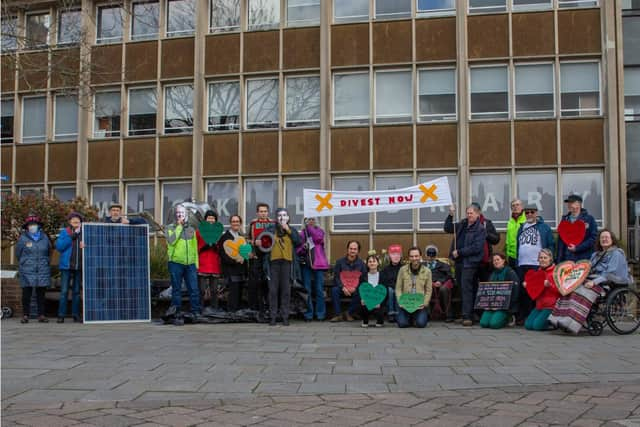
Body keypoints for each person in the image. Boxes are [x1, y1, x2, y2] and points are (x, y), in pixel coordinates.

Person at [549, 229, 632, 334]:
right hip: (592, 279)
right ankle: (560, 318)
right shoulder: (596, 255)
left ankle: (573, 322)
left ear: (612, 240)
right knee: (570, 288)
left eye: (607, 237)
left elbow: (610, 274)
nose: (604, 239)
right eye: (602, 237)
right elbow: (588, 268)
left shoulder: (617, 253)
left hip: (607, 283)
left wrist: (594, 282)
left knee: (581, 291)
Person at [444, 204, 487, 326]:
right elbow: (447, 228)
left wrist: (460, 252)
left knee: (467, 289)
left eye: (471, 213)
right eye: (467, 213)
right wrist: (451, 215)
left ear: (478, 214)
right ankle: (465, 313)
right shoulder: (463, 224)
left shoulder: (480, 229)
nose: (469, 215)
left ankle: (467, 316)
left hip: (470, 263)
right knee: (462, 288)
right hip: (459, 262)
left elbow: (477, 248)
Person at [515, 204, 555, 325]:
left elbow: (551, 244)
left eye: (532, 212)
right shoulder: (521, 227)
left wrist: (549, 261)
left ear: (536, 213)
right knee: (524, 290)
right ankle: (525, 316)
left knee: (537, 290)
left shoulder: (544, 227)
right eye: (527, 212)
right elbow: (518, 245)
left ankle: (536, 315)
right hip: (522, 263)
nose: (529, 214)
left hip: (536, 264)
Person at [166, 204, 201, 325]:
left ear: (186, 214)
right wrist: (179, 227)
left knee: (194, 289)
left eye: (182, 212)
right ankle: (176, 312)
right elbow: (171, 241)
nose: (180, 215)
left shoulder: (191, 229)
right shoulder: (170, 227)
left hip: (190, 264)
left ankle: (195, 312)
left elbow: (194, 247)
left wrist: (196, 263)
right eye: (178, 213)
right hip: (175, 263)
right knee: (176, 289)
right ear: (175, 215)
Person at [267, 208, 301, 326]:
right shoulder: (270, 229)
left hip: (287, 263)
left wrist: (288, 230)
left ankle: (285, 316)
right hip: (273, 263)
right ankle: (273, 317)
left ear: (288, 217)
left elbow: (298, 242)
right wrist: (258, 242)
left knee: (286, 291)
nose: (282, 218)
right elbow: (263, 241)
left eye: (284, 215)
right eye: (279, 215)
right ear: (276, 218)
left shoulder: (292, 230)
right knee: (273, 291)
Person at [16, 215, 51, 324]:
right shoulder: (23, 238)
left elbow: (49, 251)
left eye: (34, 225)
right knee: (26, 293)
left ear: (39, 226)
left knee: (41, 294)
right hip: (27, 269)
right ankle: (25, 315)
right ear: (27, 227)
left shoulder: (45, 238)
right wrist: (25, 262)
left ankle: (41, 315)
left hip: (42, 269)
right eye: (30, 225)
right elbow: (18, 254)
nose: (32, 227)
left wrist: (45, 262)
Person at [297, 217, 329, 322]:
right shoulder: (302, 234)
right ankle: (309, 313)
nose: (310, 221)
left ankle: (320, 314)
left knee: (319, 289)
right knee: (307, 289)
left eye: (312, 219)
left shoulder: (320, 231)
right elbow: (297, 250)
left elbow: (317, 239)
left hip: (318, 264)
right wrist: (303, 248)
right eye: (307, 219)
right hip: (306, 264)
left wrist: (309, 228)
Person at [55, 212, 85, 323]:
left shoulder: (84, 232)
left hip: (78, 266)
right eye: (73, 220)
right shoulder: (65, 232)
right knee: (64, 291)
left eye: (77, 220)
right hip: (66, 266)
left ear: (80, 222)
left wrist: (85, 245)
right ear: (70, 222)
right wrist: (71, 238)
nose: (75, 222)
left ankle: (75, 315)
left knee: (77, 292)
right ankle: (61, 315)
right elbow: (59, 247)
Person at [479, 253, 519, 330]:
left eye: (498, 260)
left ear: (503, 260)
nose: (496, 262)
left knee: (494, 324)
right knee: (483, 323)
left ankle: (509, 318)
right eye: (494, 260)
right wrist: (487, 304)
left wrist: (508, 306)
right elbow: (487, 291)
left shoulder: (510, 273)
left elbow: (515, 292)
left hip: (505, 306)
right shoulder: (492, 274)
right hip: (492, 305)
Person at [329, 241, 366, 322]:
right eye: (351, 248)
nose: (352, 251)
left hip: (355, 290)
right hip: (343, 288)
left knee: (361, 291)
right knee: (334, 290)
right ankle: (338, 314)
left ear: (358, 251)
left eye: (355, 249)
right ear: (347, 249)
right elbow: (336, 277)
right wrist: (343, 287)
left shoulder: (362, 264)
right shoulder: (340, 262)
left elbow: (363, 279)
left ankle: (348, 313)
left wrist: (355, 288)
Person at [523, 249, 560, 331]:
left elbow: (561, 291)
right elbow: (534, 291)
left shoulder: (556, 272)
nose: (542, 260)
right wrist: (527, 285)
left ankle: (553, 324)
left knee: (537, 326)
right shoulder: (537, 273)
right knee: (528, 325)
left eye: (545, 258)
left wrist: (550, 285)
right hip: (539, 305)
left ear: (550, 259)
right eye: (541, 258)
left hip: (551, 306)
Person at [395, 247, 432, 328]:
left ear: (420, 257)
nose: (414, 258)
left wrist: (424, 303)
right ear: (409, 257)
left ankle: (416, 317)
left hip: (419, 304)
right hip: (406, 304)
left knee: (421, 324)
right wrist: (400, 301)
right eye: (412, 256)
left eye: (416, 256)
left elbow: (428, 290)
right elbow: (398, 288)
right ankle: (410, 318)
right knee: (402, 324)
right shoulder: (402, 270)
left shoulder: (427, 271)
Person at [248, 203, 273, 314]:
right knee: (256, 282)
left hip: (270, 257)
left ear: (268, 212)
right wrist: (254, 242)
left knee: (268, 282)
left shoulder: (273, 223)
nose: (263, 213)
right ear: (257, 213)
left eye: (265, 211)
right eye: (261, 211)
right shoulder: (253, 224)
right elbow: (248, 239)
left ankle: (268, 306)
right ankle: (256, 307)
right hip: (257, 256)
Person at [556, 194, 597, 263]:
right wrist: (559, 260)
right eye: (568, 203)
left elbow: (593, 238)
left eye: (572, 202)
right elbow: (561, 242)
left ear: (579, 204)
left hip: (584, 258)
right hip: (567, 258)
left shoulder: (589, 219)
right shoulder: (564, 220)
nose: (569, 205)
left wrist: (577, 248)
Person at [196, 210, 223, 311]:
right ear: (205, 219)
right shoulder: (199, 232)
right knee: (202, 290)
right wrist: (203, 247)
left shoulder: (218, 232)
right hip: (202, 263)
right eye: (209, 218)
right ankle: (200, 308)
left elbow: (221, 248)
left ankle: (214, 309)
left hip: (214, 263)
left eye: (213, 218)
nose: (211, 220)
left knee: (214, 290)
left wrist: (216, 247)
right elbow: (195, 247)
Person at [219, 215, 248, 312]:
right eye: (233, 221)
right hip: (230, 269)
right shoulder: (224, 237)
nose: (236, 223)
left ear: (240, 223)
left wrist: (247, 256)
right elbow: (223, 254)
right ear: (230, 223)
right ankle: (232, 312)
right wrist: (234, 261)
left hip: (241, 269)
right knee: (233, 292)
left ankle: (238, 312)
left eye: (237, 221)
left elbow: (245, 253)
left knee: (239, 291)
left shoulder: (241, 237)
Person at [423, 245, 455, 322]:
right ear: (425, 255)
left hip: (440, 285)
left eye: (433, 255)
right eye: (428, 254)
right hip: (427, 286)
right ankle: (426, 314)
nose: (430, 257)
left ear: (436, 255)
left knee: (444, 289)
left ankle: (448, 314)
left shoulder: (444, 265)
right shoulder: (422, 266)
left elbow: (449, 275)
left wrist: (441, 281)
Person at [358, 254, 386, 328]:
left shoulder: (382, 275)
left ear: (378, 263)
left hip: (379, 301)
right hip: (367, 300)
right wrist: (362, 299)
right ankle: (365, 320)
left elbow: (384, 290)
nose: (372, 263)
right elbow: (360, 289)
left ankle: (380, 320)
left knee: (380, 310)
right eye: (370, 262)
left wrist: (380, 302)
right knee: (363, 305)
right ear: (367, 264)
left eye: (374, 261)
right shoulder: (363, 276)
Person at [380, 244, 403, 322]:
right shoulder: (385, 269)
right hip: (389, 289)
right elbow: (383, 281)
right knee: (390, 290)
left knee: (396, 290)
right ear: (389, 256)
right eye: (393, 254)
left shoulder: (404, 268)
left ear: (401, 256)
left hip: (400, 289)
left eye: (398, 254)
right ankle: (391, 313)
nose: (396, 256)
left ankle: (397, 313)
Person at [505, 199, 526, 269]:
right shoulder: (510, 222)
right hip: (512, 256)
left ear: (522, 207)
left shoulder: (527, 220)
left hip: (523, 255)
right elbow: (508, 239)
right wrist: (507, 255)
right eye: (513, 206)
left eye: (517, 205)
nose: (515, 207)